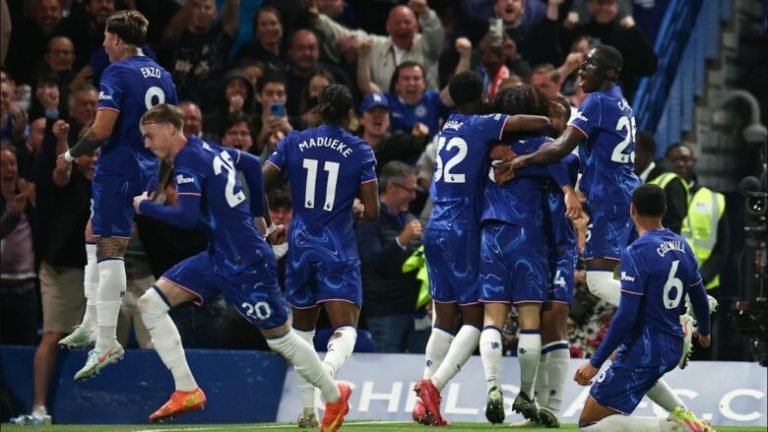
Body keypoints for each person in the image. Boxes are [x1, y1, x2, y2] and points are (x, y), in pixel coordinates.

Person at [495, 44, 694, 420]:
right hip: (622, 194)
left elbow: (561, 148)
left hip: (611, 201)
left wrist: (519, 161)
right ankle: (683, 412)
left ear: (610, 73)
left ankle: (672, 316)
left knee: (600, 283)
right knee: (632, 328)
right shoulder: (620, 103)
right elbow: (573, 156)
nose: (582, 70)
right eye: (582, 63)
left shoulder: (598, 102)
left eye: (590, 65)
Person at [132, 103, 352, 431]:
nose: (147, 143)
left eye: (150, 136)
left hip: (246, 262)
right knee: (150, 304)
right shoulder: (206, 147)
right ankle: (186, 389)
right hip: (219, 255)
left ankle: (335, 395)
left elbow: (187, 218)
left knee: (281, 340)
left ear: (170, 129)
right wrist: (261, 219)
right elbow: (250, 163)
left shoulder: (188, 162)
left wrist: (145, 207)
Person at [412, 71, 550, 426]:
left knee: (443, 319)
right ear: (484, 93)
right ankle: (433, 387)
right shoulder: (482, 125)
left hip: (434, 225)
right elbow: (536, 121)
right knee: (474, 319)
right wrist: (550, 119)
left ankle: (423, 402)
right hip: (463, 228)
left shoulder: (448, 125)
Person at [55, 10, 178, 382]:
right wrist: (161, 177)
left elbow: (102, 130)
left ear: (119, 40)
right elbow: (172, 132)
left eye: (107, 38)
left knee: (110, 246)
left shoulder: (117, 72)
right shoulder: (163, 75)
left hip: (120, 165)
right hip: (146, 166)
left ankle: (107, 340)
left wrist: (69, 155)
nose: (104, 44)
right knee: (94, 232)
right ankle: (91, 321)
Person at [262, 84, 379, 428]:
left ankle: (309, 411)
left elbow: (256, 183)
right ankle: (329, 380)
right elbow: (373, 211)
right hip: (336, 246)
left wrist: (269, 226)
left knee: (303, 332)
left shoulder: (293, 141)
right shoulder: (360, 150)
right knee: (346, 327)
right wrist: (355, 209)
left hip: (299, 245)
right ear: (350, 114)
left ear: (318, 108)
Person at [573, 184, 713, 432]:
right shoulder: (683, 246)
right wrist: (704, 330)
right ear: (664, 209)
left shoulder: (636, 252)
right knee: (637, 378)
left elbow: (626, 315)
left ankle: (677, 427)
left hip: (644, 349)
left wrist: (595, 362)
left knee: (589, 425)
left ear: (632, 209)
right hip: (671, 345)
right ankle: (684, 419)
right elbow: (699, 296)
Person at [667, 143, 728, 360]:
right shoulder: (660, 194)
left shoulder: (714, 199)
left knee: (702, 343)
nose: (681, 164)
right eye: (675, 160)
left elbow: (723, 247)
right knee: (671, 344)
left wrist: (699, 277)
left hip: (706, 284)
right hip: (670, 284)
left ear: (693, 162)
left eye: (685, 159)